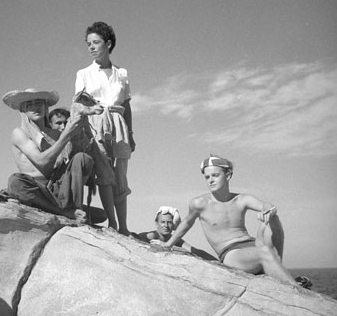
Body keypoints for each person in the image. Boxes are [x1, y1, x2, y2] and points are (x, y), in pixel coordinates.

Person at [154, 155, 311, 288]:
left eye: (215, 175)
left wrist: (269, 211)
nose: (210, 180)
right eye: (207, 177)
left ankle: (276, 271)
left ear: (228, 175)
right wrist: (168, 245)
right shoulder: (199, 203)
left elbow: (267, 206)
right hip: (231, 254)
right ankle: (295, 288)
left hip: (252, 245)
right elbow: (186, 223)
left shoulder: (241, 199)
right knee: (264, 252)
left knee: (273, 219)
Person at [4, 88, 106, 225]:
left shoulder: (55, 133)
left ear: (46, 107)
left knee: (82, 158)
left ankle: (72, 207)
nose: (35, 108)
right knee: (15, 181)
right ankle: (66, 212)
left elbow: (74, 159)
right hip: (35, 189)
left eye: (39, 103)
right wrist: (66, 135)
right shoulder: (19, 133)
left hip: (56, 189)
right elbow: (41, 162)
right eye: (30, 105)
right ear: (23, 109)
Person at [75, 21, 135, 235]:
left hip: (119, 122)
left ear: (108, 44)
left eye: (96, 42)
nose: (91, 47)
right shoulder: (83, 73)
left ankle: (125, 226)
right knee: (104, 172)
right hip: (96, 121)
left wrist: (131, 132)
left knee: (121, 173)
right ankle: (113, 223)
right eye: (88, 43)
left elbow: (126, 105)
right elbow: (79, 104)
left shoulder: (122, 73)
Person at [135, 206, 217, 261]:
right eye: (163, 222)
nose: (166, 226)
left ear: (174, 224)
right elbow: (137, 238)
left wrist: (217, 261)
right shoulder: (153, 236)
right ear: (156, 224)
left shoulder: (174, 239)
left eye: (169, 222)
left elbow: (194, 250)